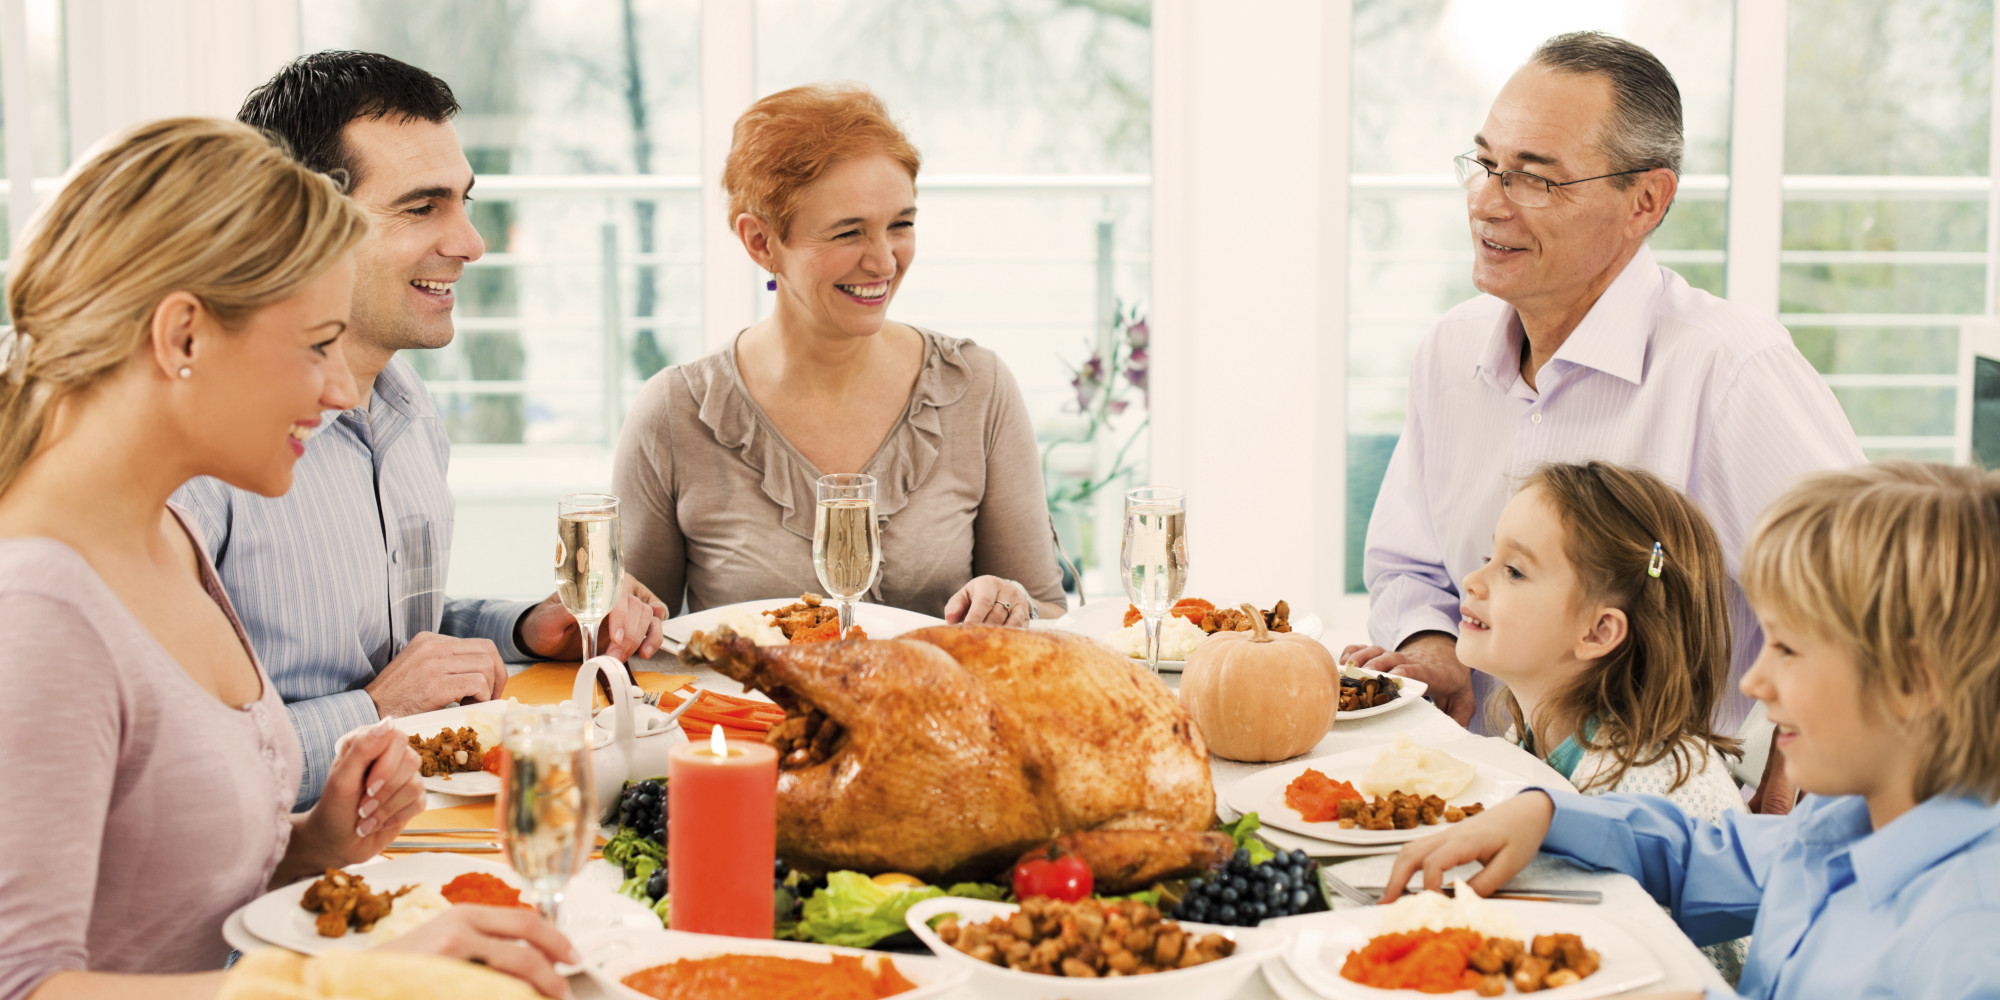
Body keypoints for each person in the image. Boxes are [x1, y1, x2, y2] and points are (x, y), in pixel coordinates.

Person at [0, 118, 574, 1000]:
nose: (343, 391)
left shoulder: (168, 539)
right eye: (316, 346)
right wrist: (342, 987)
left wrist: (311, 846)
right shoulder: (37, 606)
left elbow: (155, 905)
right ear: (184, 337)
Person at [171, 51, 667, 808]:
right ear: (299, 224)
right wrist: (373, 714)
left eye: (464, 200)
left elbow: (392, 633)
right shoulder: (200, 457)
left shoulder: (405, 405)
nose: (471, 242)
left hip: (406, 821)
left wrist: (528, 627)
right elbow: (168, 763)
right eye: (422, 206)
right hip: (276, 868)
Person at [1346, 32, 1863, 733]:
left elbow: (1864, 608)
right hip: (1467, 788)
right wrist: (1432, 646)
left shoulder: (1733, 372)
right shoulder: (1449, 350)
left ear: (1645, 201)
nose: (1489, 204)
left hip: (1662, 820)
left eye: (1535, 177)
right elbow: (1408, 565)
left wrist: (1791, 759)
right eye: (1487, 163)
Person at [1381, 461, 2000, 1000]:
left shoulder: (1969, 942)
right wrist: (1547, 815)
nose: (1754, 684)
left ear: (1912, 683)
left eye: (1787, 649)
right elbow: (1700, 858)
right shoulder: (1839, 827)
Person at [613, 84, 1065, 625]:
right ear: (760, 242)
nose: (883, 261)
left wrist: (1010, 603)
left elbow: (1048, 616)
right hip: (749, 712)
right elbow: (634, 644)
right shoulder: (675, 412)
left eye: (901, 224)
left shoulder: (979, 388)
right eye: (848, 232)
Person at [1460, 461, 1746, 978]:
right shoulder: (1529, 737)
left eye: (1514, 571)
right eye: (1489, 556)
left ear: (1597, 633)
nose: (1471, 581)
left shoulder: (1657, 784)